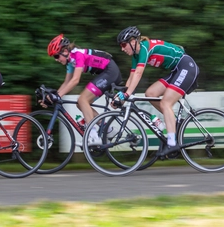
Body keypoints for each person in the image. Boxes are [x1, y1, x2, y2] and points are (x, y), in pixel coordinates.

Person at [114, 26, 200, 156]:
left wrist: (127, 94)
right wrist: (122, 95)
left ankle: (172, 143)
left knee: (166, 103)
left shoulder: (143, 48)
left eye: (123, 44)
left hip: (186, 66)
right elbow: (131, 77)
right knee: (150, 94)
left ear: (133, 42)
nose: (122, 48)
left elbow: (138, 73)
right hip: (176, 70)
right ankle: (175, 121)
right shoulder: (136, 55)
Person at [46, 34, 122, 144]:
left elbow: (75, 80)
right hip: (106, 72)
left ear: (65, 51)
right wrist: (53, 96)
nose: (56, 60)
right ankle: (108, 129)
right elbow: (67, 82)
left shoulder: (78, 55)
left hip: (110, 71)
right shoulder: (70, 62)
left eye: (56, 56)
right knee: (80, 103)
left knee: (82, 100)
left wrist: (58, 95)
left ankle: (93, 136)